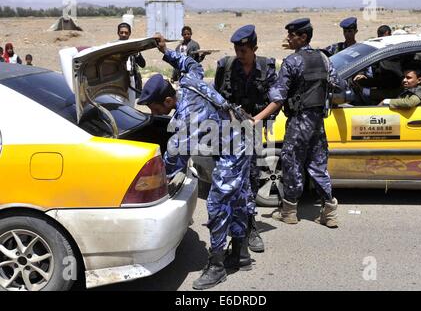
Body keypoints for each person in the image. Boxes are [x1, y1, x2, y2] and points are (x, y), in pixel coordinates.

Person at [137, 34, 254, 290]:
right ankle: (242, 254)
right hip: (241, 139)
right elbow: (190, 64)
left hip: (234, 149)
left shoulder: (187, 118)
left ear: (168, 100)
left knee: (217, 203)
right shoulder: (189, 81)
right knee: (235, 198)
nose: (154, 114)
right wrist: (166, 52)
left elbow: (173, 160)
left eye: (155, 108)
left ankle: (217, 265)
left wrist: (151, 179)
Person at [253, 18, 340, 228]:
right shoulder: (324, 58)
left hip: (299, 122)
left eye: (292, 36)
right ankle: (329, 212)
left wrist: (257, 118)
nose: (288, 39)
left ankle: (289, 211)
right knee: (318, 166)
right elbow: (337, 84)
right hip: (318, 123)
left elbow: (278, 96)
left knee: (292, 164)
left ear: (302, 37)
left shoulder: (292, 61)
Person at [214, 25, 277, 254]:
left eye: (244, 51)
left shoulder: (267, 68)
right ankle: (228, 226)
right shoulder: (226, 66)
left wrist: (255, 120)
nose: (239, 55)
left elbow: (277, 99)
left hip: (253, 130)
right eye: (236, 50)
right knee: (229, 179)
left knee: (250, 179)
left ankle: (251, 227)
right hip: (230, 131)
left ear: (254, 49)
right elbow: (218, 98)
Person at [117, 22, 146, 107]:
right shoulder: (113, 46)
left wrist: (136, 53)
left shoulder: (133, 47)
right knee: (118, 102)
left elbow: (143, 64)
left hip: (131, 78)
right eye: (121, 32)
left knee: (131, 103)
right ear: (118, 33)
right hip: (118, 79)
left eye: (126, 33)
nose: (123, 34)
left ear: (129, 34)